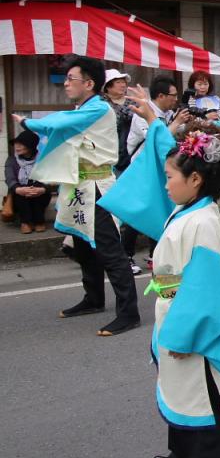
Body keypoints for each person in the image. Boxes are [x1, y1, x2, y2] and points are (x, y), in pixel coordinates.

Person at [98, 111, 220, 458]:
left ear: (194, 179)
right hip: (172, 311)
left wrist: (181, 336)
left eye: (170, 178)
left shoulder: (203, 221)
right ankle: (183, 455)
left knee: (203, 401)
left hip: (189, 324)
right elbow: (168, 154)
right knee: (177, 390)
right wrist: (154, 121)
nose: (164, 184)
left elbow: (205, 292)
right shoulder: (187, 205)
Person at [12, 55, 140, 335]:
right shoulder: (82, 109)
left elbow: (57, 124)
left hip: (96, 188)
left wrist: (26, 123)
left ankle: (128, 312)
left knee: (110, 251)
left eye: (71, 78)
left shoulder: (96, 109)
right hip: (77, 188)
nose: (66, 83)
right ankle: (93, 299)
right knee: (82, 246)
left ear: (90, 83)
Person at [123, 74, 179, 274]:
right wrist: (176, 124)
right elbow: (156, 138)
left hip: (159, 169)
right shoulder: (143, 113)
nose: (176, 99)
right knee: (138, 213)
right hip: (142, 170)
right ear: (162, 95)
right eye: (173, 95)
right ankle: (126, 256)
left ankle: (156, 254)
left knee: (159, 210)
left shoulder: (166, 114)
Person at [5, 130, 52, 233]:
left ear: (31, 146)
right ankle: (25, 222)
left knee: (35, 187)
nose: (17, 147)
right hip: (18, 193)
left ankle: (39, 221)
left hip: (39, 192)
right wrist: (18, 189)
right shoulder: (12, 160)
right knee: (22, 190)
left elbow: (49, 178)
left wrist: (42, 189)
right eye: (16, 144)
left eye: (21, 144)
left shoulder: (42, 159)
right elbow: (10, 178)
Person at [102, 69, 134, 176]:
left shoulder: (132, 102)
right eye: (118, 82)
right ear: (108, 86)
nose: (123, 85)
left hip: (131, 152)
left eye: (124, 82)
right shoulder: (101, 104)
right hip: (109, 153)